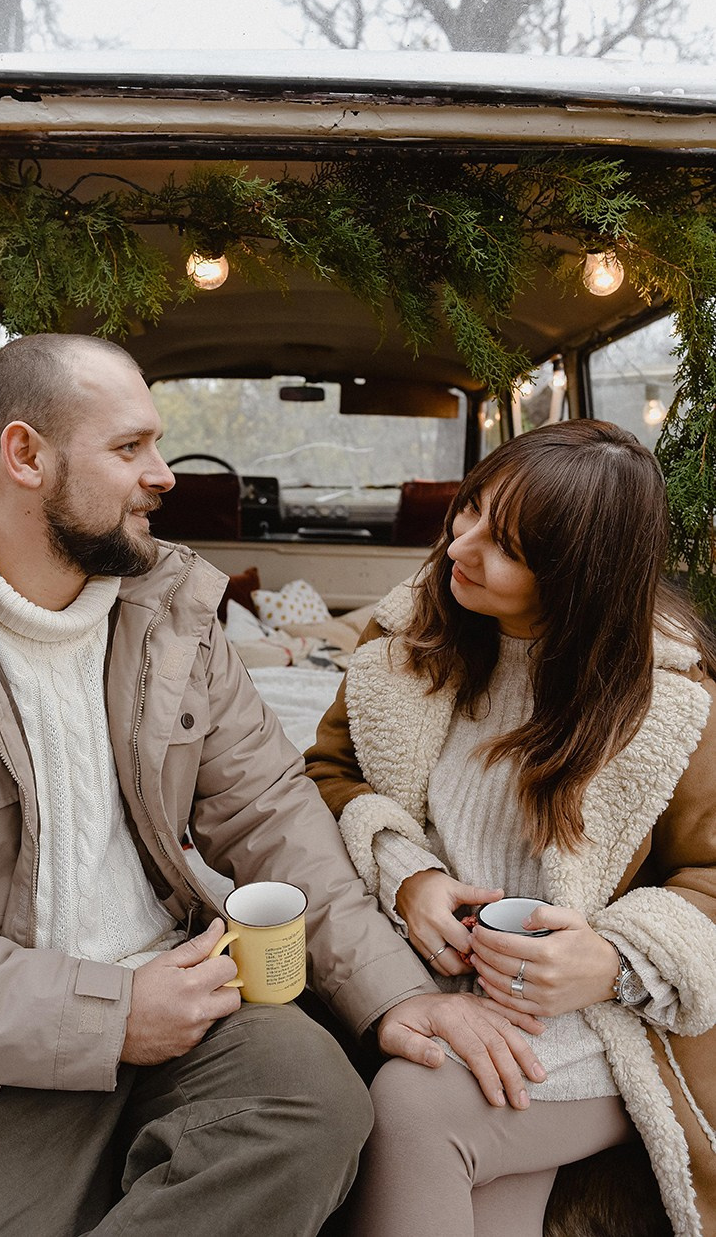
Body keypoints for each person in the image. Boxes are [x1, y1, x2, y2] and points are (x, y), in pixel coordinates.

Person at [0, 332, 548, 1237]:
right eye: (129, 447)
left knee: (317, 1105)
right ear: (26, 455)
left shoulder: (171, 617)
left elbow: (272, 816)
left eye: (159, 444)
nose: (164, 474)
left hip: (187, 994)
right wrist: (108, 1017)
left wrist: (394, 995)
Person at [305, 419, 716, 1237]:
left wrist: (611, 960)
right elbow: (326, 777)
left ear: (580, 574)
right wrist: (405, 873)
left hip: (605, 1016)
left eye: (510, 545)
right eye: (472, 509)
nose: (461, 544)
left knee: (418, 1104)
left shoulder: (669, 706)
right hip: (432, 978)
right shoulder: (400, 652)